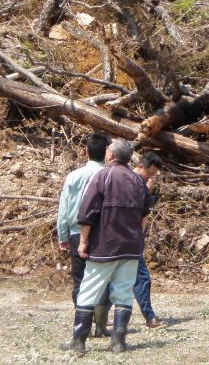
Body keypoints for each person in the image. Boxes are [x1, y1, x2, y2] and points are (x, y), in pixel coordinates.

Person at [63, 138, 151, 354]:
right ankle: (119, 341)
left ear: (111, 155)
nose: (106, 152)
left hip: (105, 246)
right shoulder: (137, 179)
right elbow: (144, 214)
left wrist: (83, 241)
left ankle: (78, 341)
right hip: (131, 246)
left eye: (108, 149)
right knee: (123, 292)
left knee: (88, 290)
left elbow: (87, 213)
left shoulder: (101, 176)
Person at [56, 132, 111, 338]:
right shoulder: (108, 176)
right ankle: (101, 325)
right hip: (103, 234)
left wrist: (63, 235)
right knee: (103, 278)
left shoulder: (73, 176)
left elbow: (64, 208)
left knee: (80, 280)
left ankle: (82, 328)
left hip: (76, 233)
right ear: (106, 153)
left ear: (85, 151)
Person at [132, 151, 164, 328]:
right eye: (150, 173)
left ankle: (99, 317)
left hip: (127, 236)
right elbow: (140, 205)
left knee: (116, 279)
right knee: (142, 278)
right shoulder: (135, 181)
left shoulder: (132, 180)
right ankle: (149, 317)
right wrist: (149, 191)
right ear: (141, 166)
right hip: (131, 237)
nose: (151, 177)